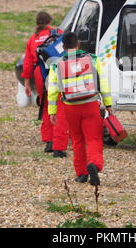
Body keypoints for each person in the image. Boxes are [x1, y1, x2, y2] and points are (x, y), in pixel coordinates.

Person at [47, 32, 113, 186]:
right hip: (90, 105)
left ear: (63, 47)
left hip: (70, 108)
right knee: (94, 138)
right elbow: (103, 83)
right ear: (78, 44)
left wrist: (52, 112)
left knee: (77, 140)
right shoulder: (93, 59)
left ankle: (82, 173)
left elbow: (52, 90)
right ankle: (94, 165)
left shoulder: (56, 64)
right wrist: (108, 104)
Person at [21, 12, 69, 158]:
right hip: (58, 72)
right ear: (49, 21)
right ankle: (58, 142)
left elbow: (28, 62)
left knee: (46, 106)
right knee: (59, 108)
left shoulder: (32, 39)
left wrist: (27, 83)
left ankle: (48, 140)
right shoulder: (58, 33)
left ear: (36, 23)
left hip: (40, 74)